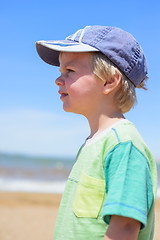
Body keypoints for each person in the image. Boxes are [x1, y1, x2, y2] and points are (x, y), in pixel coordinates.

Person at [36, 25, 157, 240]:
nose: (58, 79)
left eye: (70, 71)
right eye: (60, 72)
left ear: (110, 81)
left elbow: (125, 228)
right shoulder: (94, 142)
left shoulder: (124, 146)